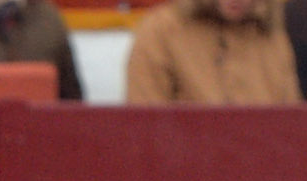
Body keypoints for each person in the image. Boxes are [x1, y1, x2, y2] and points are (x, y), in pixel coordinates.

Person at [126, 0, 302, 100]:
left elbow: (289, 127)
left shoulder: (271, 37)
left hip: (262, 161)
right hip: (185, 162)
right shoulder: (160, 32)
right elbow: (144, 128)